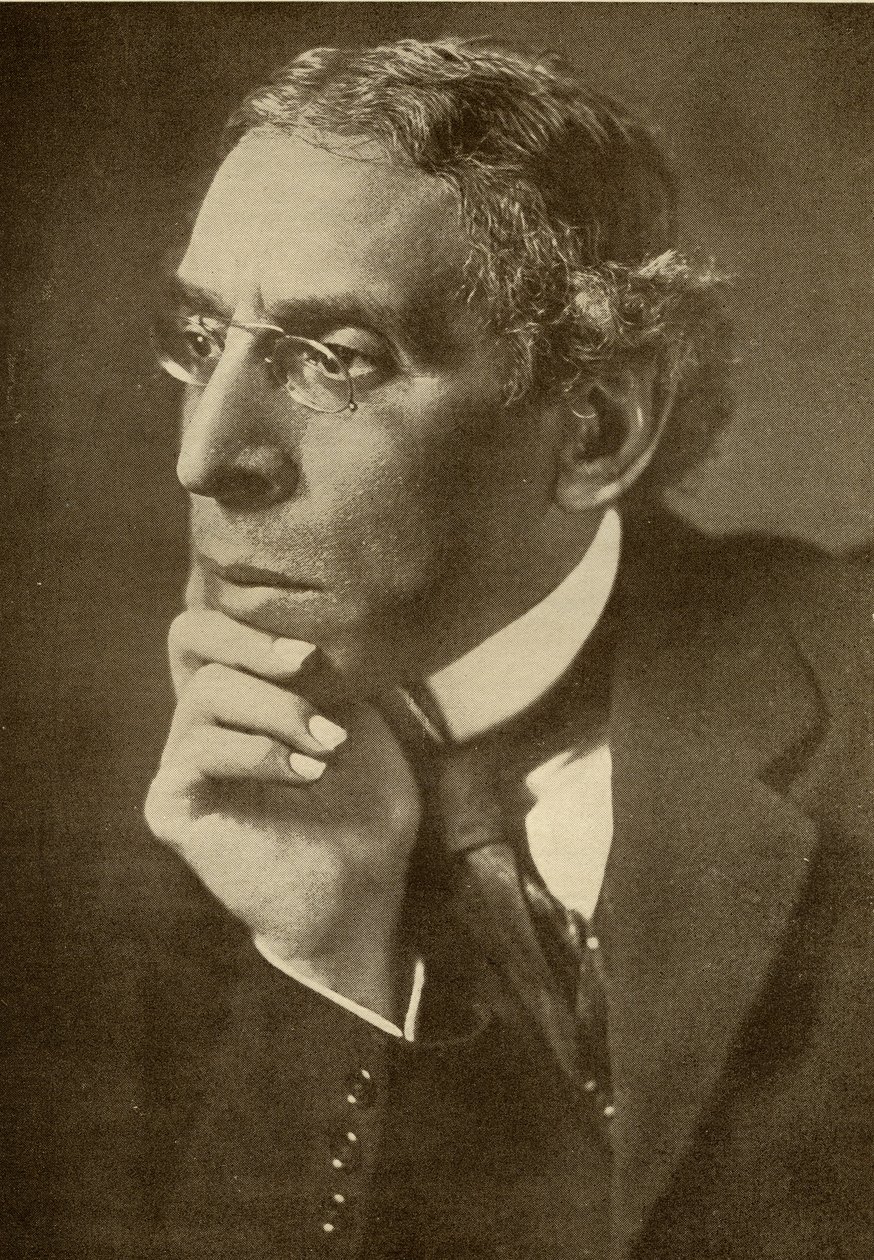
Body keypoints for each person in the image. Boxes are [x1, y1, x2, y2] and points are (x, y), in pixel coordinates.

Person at [97, 36, 870, 1260]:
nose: (206, 456)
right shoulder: (171, 843)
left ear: (597, 425)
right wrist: (323, 962)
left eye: (333, 360)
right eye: (202, 342)